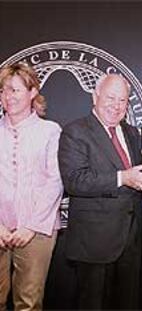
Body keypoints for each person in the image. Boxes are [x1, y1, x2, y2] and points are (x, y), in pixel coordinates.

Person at [58, 73, 142, 309]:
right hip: (94, 244)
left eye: (122, 100)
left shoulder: (133, 133)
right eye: (111, 98)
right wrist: (123, 177)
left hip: (130, 241)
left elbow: (140, 177)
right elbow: (75, 181)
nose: (116, 105)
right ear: (95, 96)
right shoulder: (75, 131)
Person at [0, 63, 63, 310]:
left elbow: (55, 181)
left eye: (14, 90)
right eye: (3, 91)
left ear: (33, 92)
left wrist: (31, 226)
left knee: (28, 302)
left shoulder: (50, 131)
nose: (8, 97)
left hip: (37, 229)